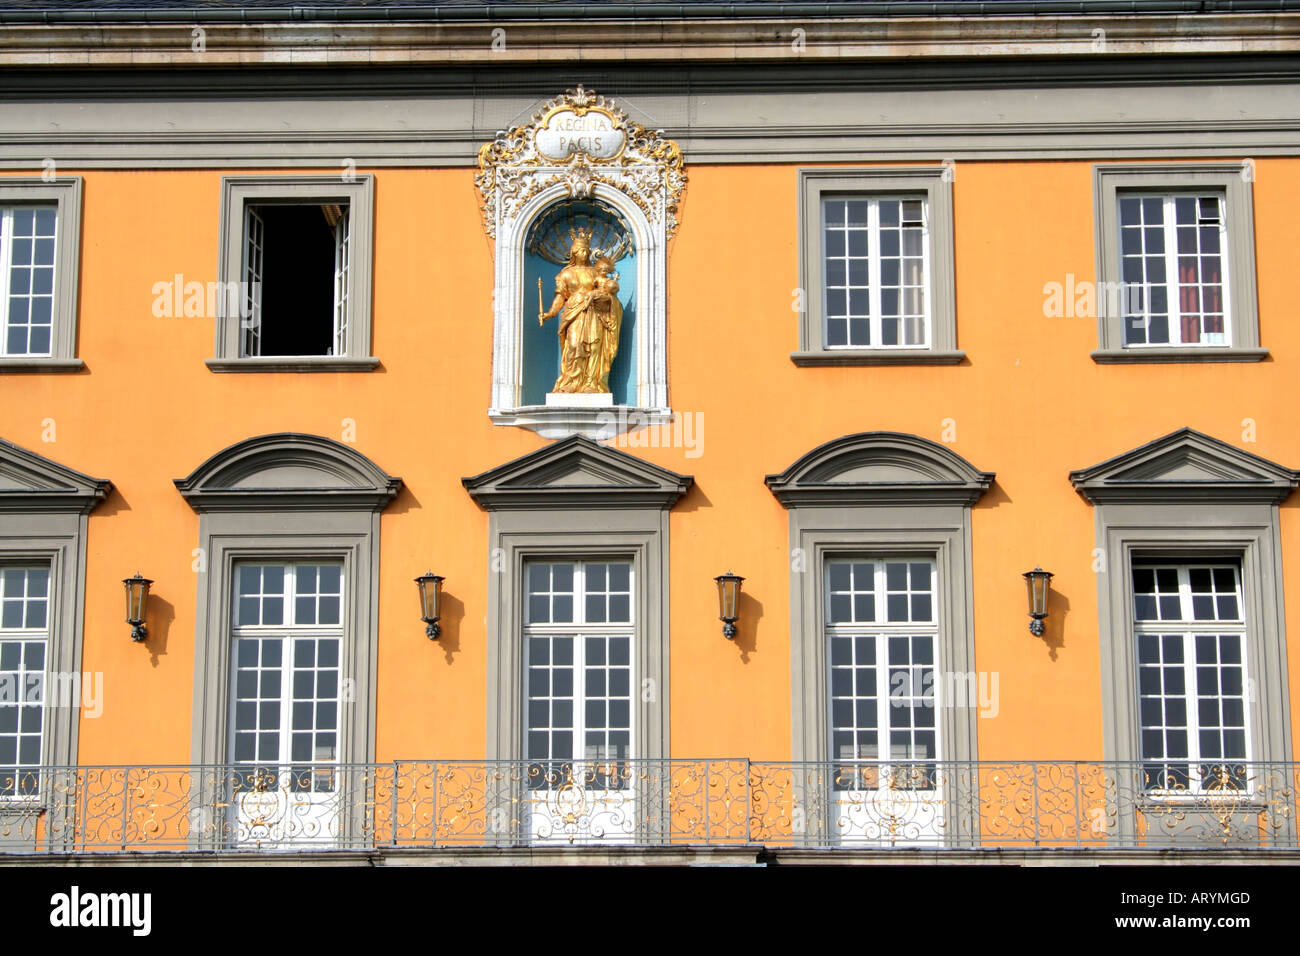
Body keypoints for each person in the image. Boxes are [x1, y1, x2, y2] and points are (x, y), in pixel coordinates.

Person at [538, 232, 623, 394]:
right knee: (574, 345)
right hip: (574, 312)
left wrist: (607, 297)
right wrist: (550, 313)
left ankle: (591, 383)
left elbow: (606, 291)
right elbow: (560, 298)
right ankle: (571, 381)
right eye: (580, 251)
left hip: (594, 313)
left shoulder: (595, 272)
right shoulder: (565, 274)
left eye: (585, 251)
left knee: (594, 347)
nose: (584, 254)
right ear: (574, 253)